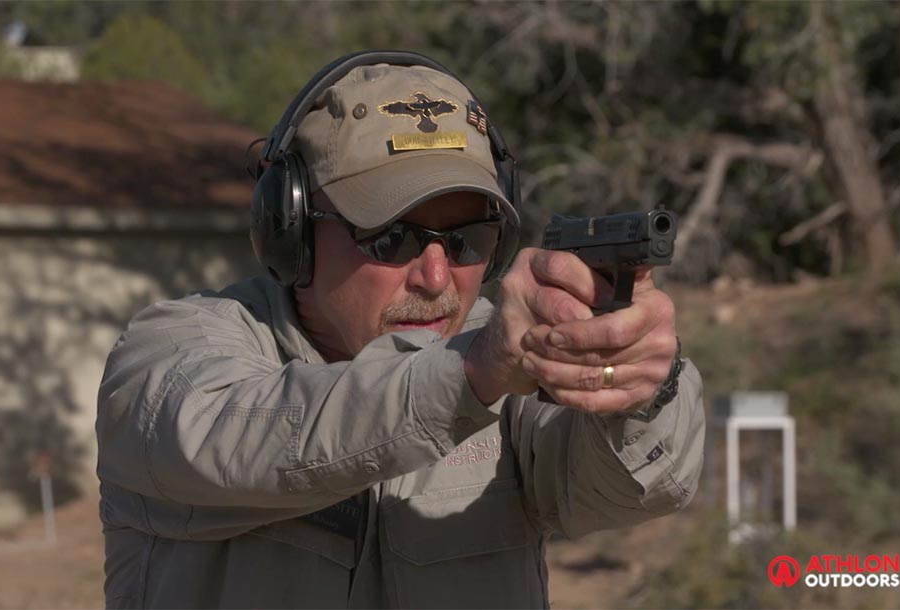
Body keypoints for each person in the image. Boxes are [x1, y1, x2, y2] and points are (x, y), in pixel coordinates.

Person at [96, 51, 704, 609]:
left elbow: (634, 490)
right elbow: (242, 438)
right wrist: (470, 374)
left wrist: (638, 386)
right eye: (392, 237)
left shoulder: (503, 359)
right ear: (292, 229)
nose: (437, 277)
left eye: (467, 239)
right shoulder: (169, 352)